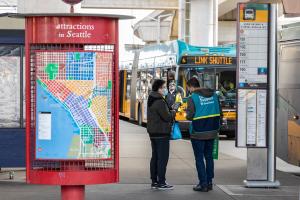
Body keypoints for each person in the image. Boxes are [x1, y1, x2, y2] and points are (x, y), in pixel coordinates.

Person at [185, 77, 221, 192]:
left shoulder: (192, 98)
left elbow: (190, 116)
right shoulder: (214, 95)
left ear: (191, 86)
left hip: (198, 132)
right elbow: (220, 112)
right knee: (209, 157)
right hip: (212, 131)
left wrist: (187, 114)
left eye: (188, 88)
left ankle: (203, 184)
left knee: (199, 158)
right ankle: (209, 182)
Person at [147, 79, 176, 190]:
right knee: (162, 158)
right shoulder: (159, 101)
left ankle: (154, 181)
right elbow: (167, 117)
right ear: (159, 88)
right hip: (161, 132)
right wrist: (173, 111)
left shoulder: (152, 98)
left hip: (153, 132)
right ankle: (161, 182)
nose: (165, 89)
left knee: (155, 157)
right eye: (163, 87)